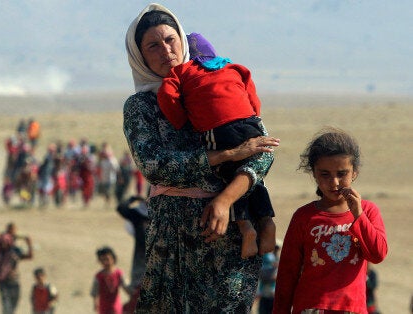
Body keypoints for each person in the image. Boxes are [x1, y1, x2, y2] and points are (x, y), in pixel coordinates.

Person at [123, 3, 279, 312]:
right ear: (140, 55)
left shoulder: (214, 82)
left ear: (182, 39)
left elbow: (261, 151)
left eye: (170, 39)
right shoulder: (140, 106)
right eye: (153, 45)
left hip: (231, 233)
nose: (166, 50)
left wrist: (223, 201)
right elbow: (154, 166)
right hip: (172, 241)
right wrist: (227, 155)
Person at [157, 32, 276, 259]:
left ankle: (246, 228)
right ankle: (267, 221)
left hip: (218, 128)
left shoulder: (181, 71)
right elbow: (252, 94)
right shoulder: (233, 67)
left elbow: (167, 96)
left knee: (228, 173)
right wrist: (252, 118)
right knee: (252, 173)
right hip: (249, 123)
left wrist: (182, 120)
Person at [273, 128, 388, 313]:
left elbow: (377, 254)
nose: (334, 182)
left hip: (352, 308)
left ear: (355, 172)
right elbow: (287, 274)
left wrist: (358, 215)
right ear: (314, 174)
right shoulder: (304, 216)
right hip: (311, 308)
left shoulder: (368, 211)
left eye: (342, 174)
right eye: (325, 174)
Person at [116, 196, 149, 313]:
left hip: (158, 259)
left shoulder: (162, 212)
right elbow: (121, 208)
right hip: (140, 260)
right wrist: (133, 199)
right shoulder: (137, 215)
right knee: (137, 293)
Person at [0, 222, 34, 314]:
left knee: (14, 304)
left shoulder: (15, 250)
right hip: (4, 281)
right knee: (6, 306)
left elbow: (29, 256)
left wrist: (29, 244)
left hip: (14, 280)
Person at [90, 246, 128, 314]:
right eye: (102, 260)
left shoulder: (119, 274)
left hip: (116, 308)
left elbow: (127, 287)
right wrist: (95, 303)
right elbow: (94, 291)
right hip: (104, 309)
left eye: (107, 259)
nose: (105, 262)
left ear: (113, 258)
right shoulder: (99, 276)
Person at [256, 242, 281, 314]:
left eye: (277, 248)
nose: (276, 250)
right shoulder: (267, 260)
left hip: (274, 296)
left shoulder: (278, 260)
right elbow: (262, 275)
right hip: (265, 294)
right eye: (275, 248)